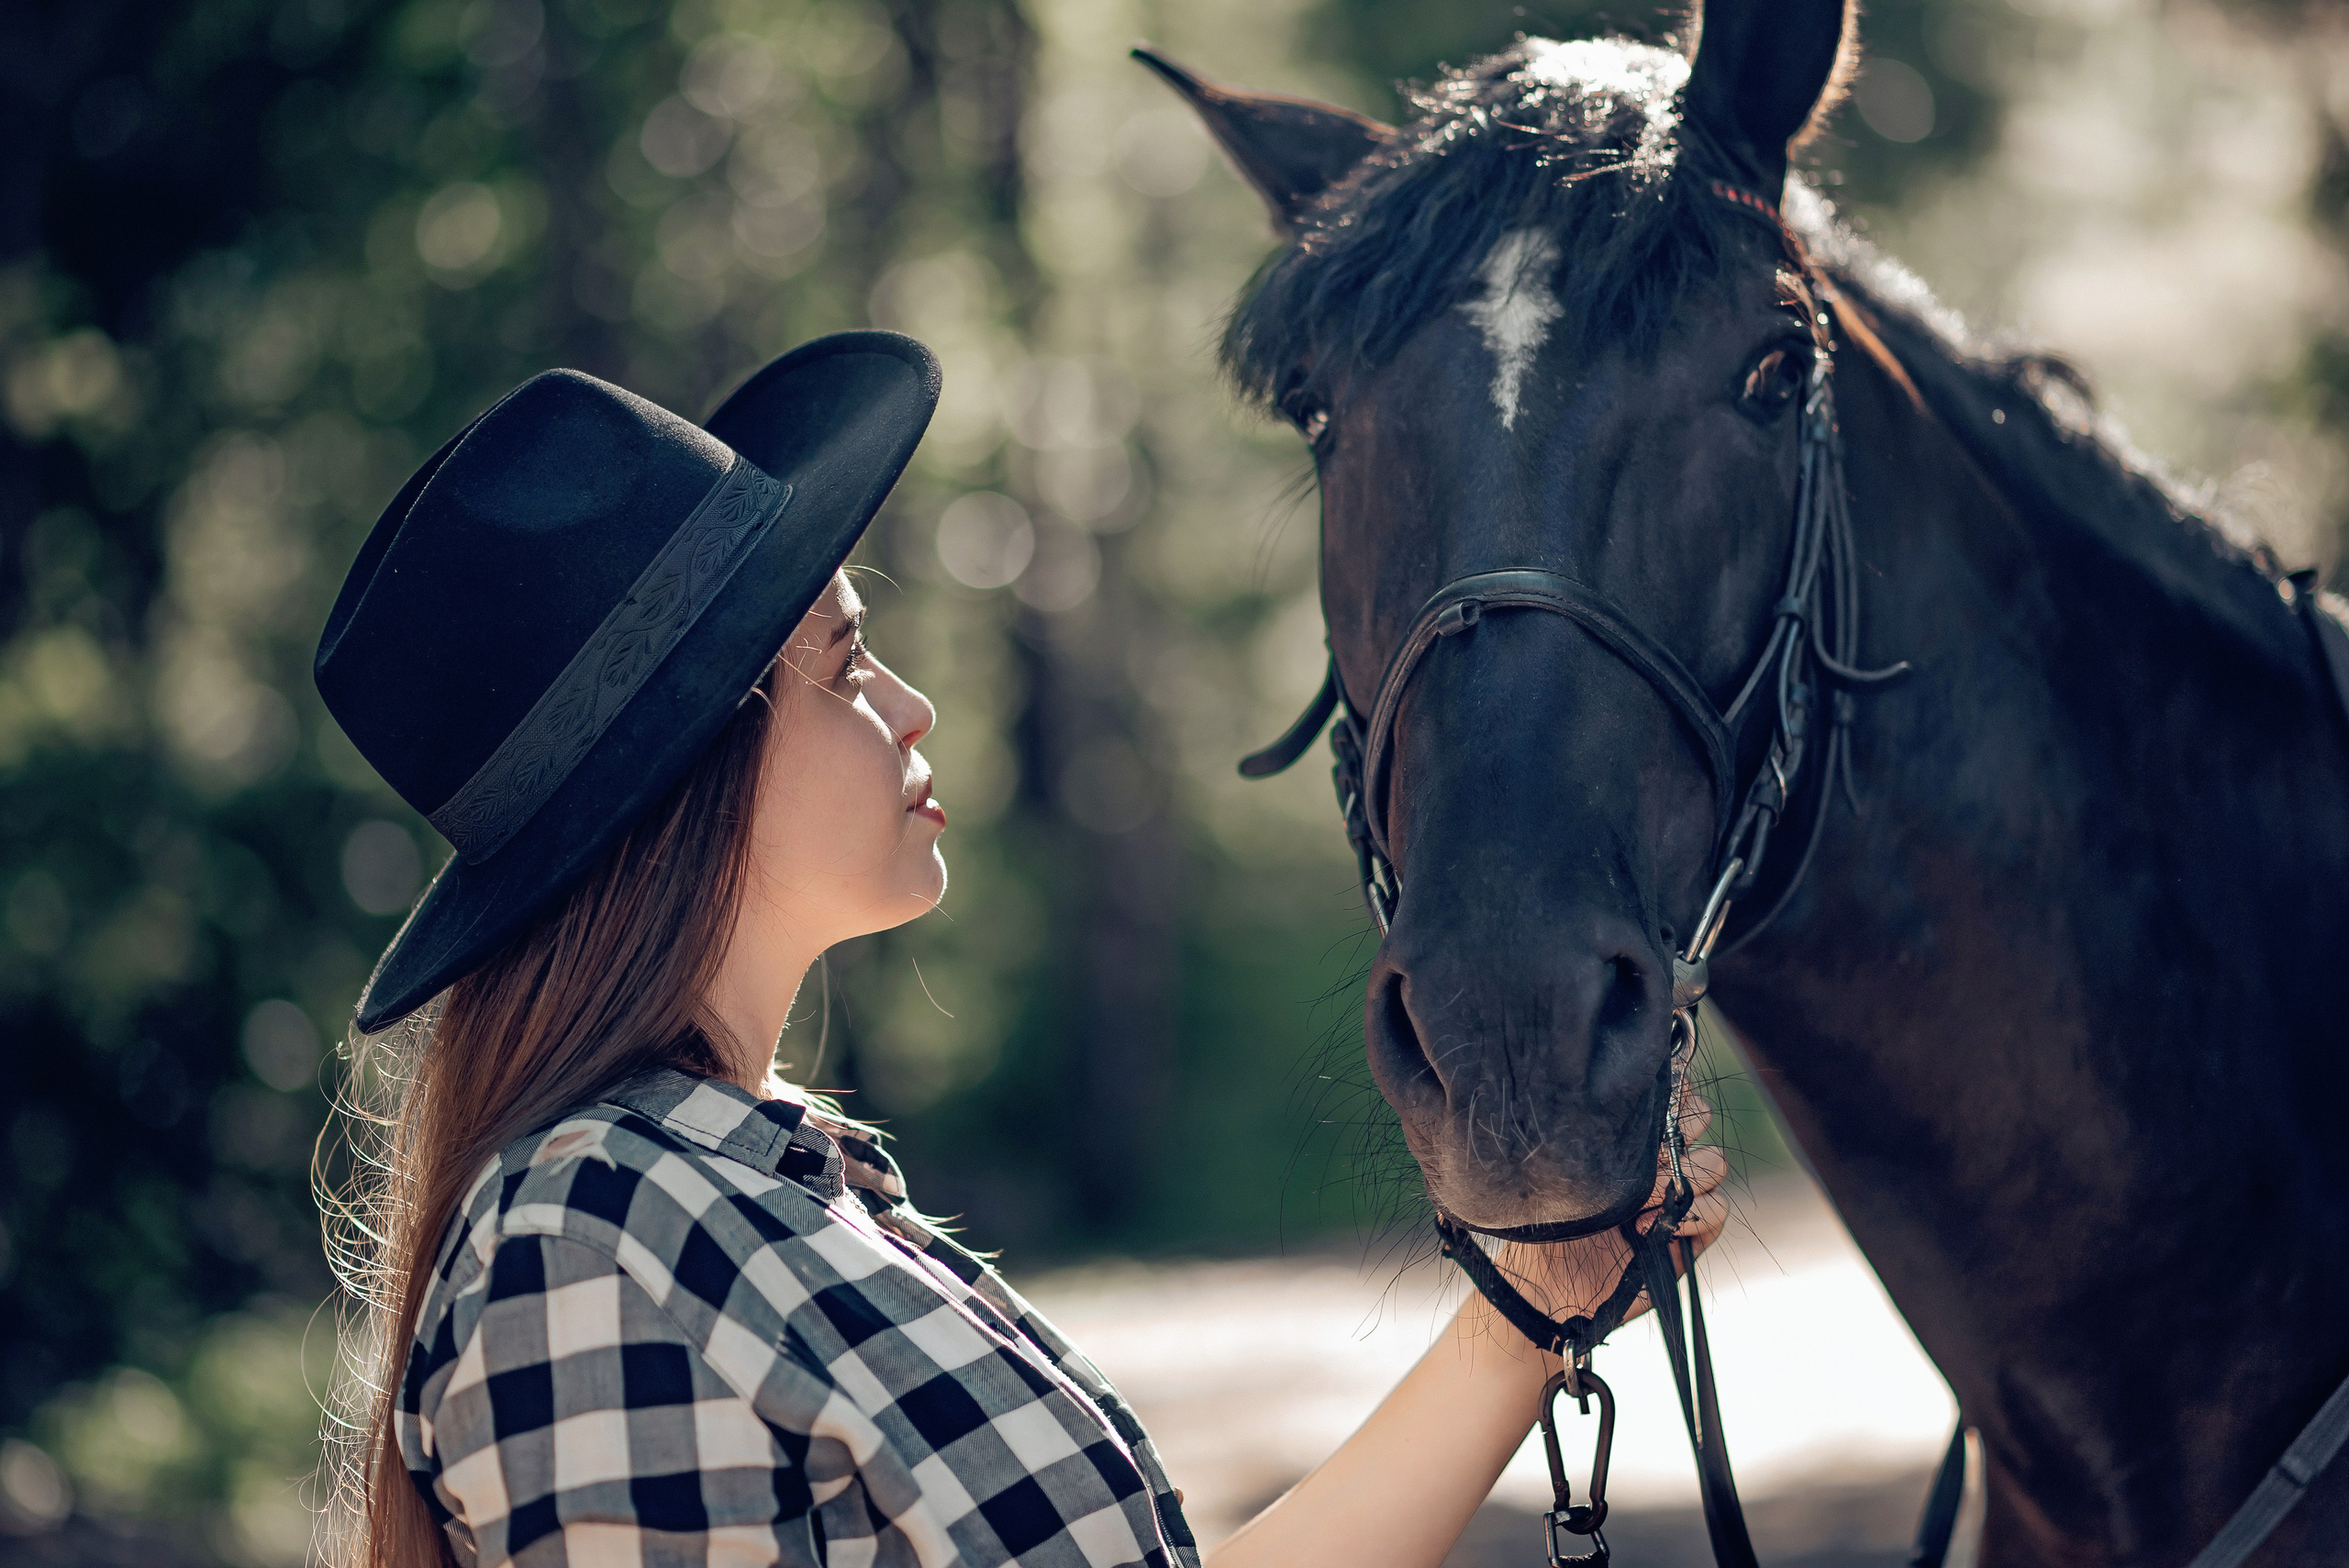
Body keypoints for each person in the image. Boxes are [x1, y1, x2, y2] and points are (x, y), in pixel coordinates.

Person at [316, 330, 1728, 1568]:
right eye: (845, 659)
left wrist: (1532, 1310)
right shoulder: (587, 1249)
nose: (912, 703)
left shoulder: (766, 1190)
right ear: (690, 760)